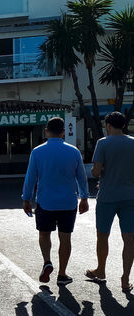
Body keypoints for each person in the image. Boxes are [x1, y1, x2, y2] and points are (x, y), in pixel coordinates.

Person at [21, 117, 89, 285]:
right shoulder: (74, 152)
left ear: (46, 131)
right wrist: (85, 198)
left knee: (44, 234)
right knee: (65, 237)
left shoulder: (37, 152)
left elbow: (30, 178)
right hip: (68, 202)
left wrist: (26, 198)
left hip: (45, 202)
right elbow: (81, 177)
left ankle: (47, 262)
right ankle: (62, 274)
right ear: (63, 132)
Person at [86, 111, 134, 293]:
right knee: (129, 238)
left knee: (102, 235)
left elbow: (96, 172)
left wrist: (103, 170)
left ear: (107, 126)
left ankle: (101, 270)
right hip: (130, 196)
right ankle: (125, 278)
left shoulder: (103, 143)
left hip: (107, 196)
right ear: (123, 125)